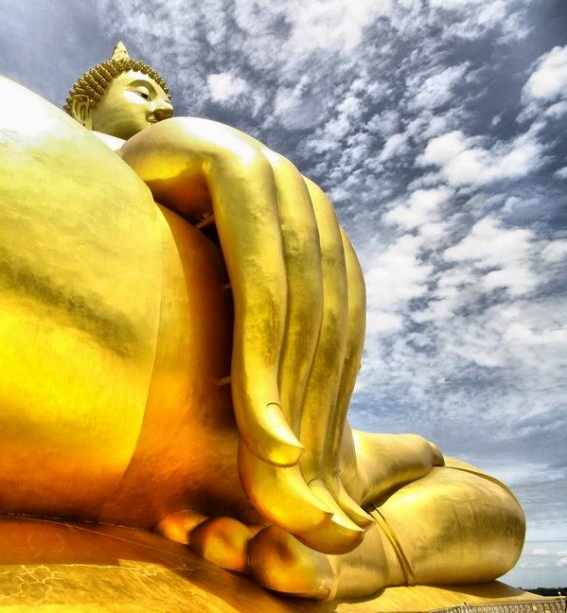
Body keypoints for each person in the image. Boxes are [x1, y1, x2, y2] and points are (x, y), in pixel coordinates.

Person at [65, 43, 525, 599]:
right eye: (141, 94)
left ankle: (359, 555)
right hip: (253, 441)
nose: (163, 110)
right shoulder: (61, 160)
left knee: (480, 495)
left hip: (301, 439)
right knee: (437, 464)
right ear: (84, 109)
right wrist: (149, 150)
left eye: (165, 100)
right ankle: (359, 542)